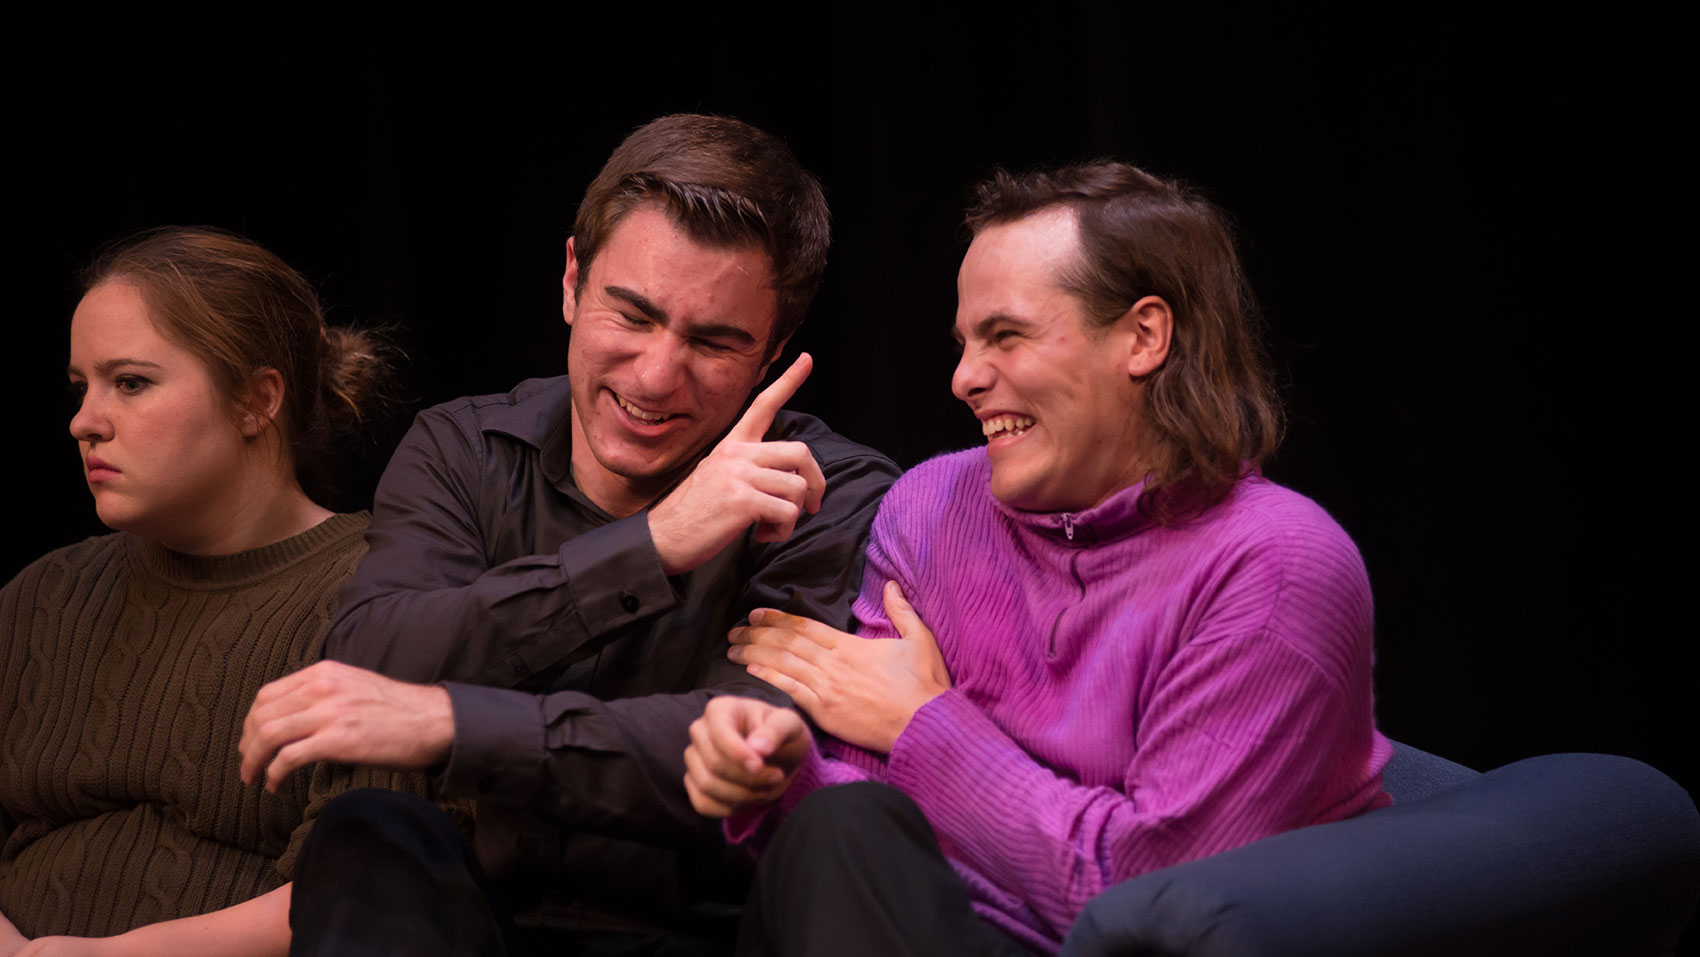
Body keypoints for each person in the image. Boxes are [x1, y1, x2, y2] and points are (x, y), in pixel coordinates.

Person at [683, 161, 1395, 955]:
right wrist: (783, 777)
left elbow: (1149, 898)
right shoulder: (930, 508)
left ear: (1143, 335)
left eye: (1006, 335)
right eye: (964, 343)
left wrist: (928, 724)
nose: (962, 379)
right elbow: (866, 815)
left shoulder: (1276, 567)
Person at [237, 114, 900, 954]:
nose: (657, 375)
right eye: (632, 314)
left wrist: (453, 721)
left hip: (710, 934)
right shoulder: (463, 447)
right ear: (572, 281)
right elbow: (371, 659)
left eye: (714, 341)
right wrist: (654, 543)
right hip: (480, 925)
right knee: (370, 832)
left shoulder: (828, 490)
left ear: (773, 351)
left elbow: (744, 744)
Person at [0, 227, 399, 956]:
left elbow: (361, 882)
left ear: (255, 400)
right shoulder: (43, 597)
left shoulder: (374, 595)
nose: (83, 422)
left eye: (130, 383)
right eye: (80, 386)